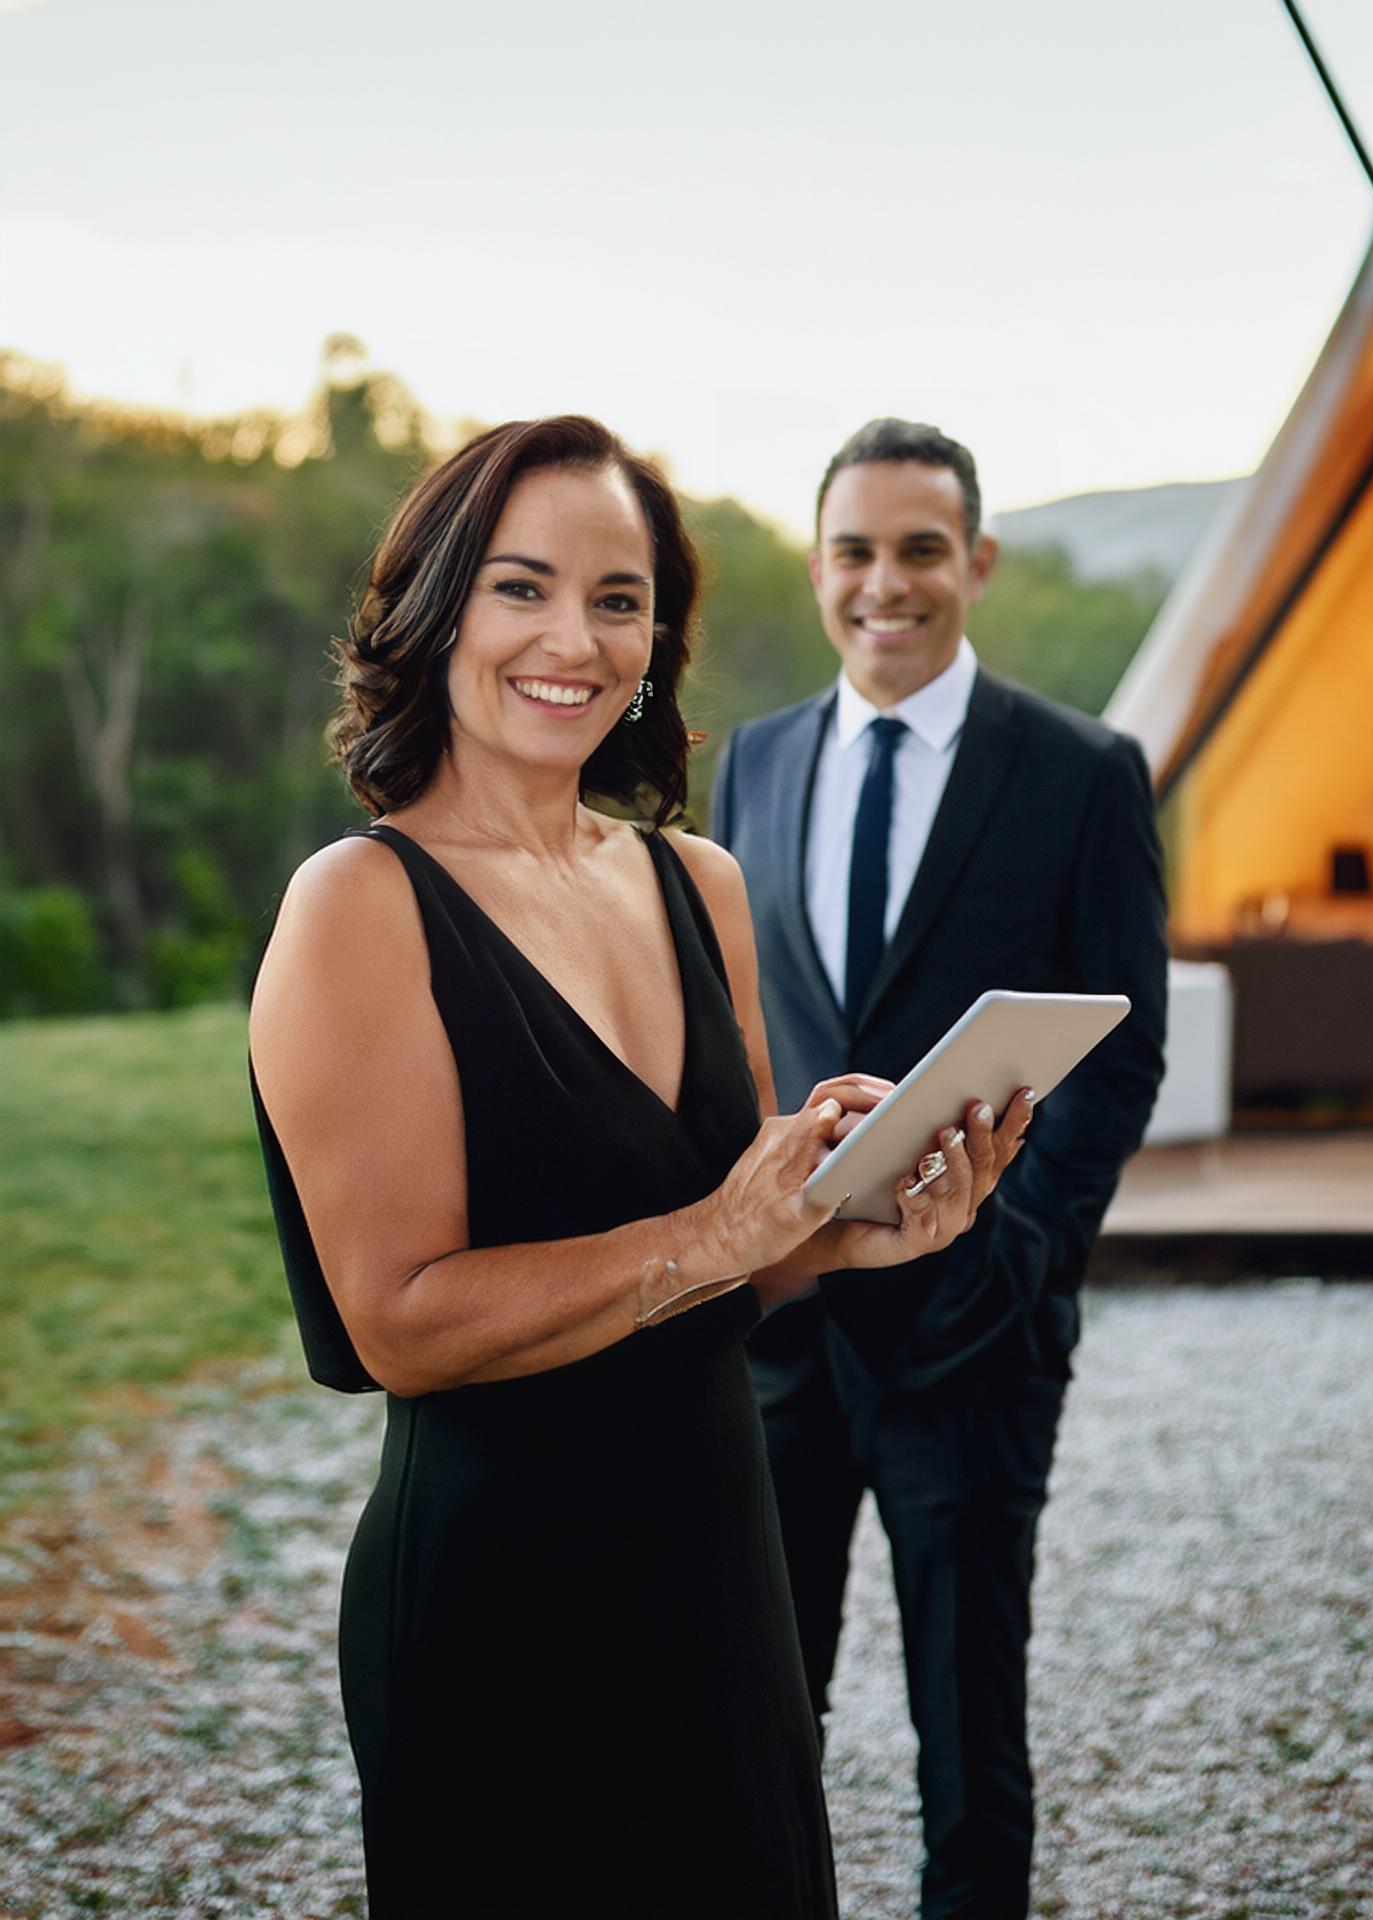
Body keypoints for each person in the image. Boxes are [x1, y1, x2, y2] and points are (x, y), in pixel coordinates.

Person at [247, 414, 1031, 1920]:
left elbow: (741, 1264)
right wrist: (719, 1230)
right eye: (521, 587)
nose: (576, 639)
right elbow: (396, 1318)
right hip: (498, 1594)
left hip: (723, 1568)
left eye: (619, 599)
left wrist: (856, 1229)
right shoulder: (358, 905)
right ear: (436, 610)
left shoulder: (697, 883)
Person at [712, 416, 1168, 1919]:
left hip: (976, 1334)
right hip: (780, 1336)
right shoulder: (759, 763)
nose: (885, 584)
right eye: (856, 551)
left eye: (920, 550)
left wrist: (1018, 1260)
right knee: (759, 1725)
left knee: (971, 1736)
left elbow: (1123, 1055)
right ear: (819, 564)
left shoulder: (1085, 773)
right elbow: (745, 1041)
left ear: (974, 561)